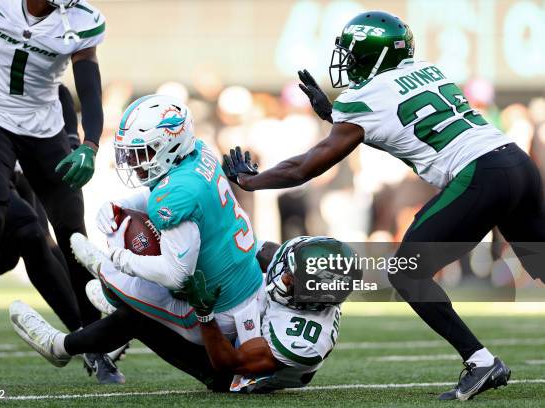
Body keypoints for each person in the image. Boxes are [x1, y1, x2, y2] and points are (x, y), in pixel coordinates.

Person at [221, 10, 545, 401]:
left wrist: (251, 180)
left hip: (480, 174)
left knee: (406, 272)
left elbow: (306, 167)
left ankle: (479, 360)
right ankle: (480, 360)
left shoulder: (365, 98)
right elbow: (398, 114)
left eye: (354, 53)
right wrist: (333, 114)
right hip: (515, 163)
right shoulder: (428, 70)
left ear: (374, 56)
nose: (349, 62)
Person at [0, 0, 115, 380]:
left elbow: (84, 88)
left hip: (41, 132)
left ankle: (93, 344)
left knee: (69, 236)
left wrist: (88, 143)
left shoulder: (79, 19)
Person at [9, 236, 353, 393]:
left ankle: (61, 346)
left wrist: (204, 316)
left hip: (235, 373)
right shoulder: (307, 284)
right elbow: (254, 251)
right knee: (204, 269)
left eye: (291, 279)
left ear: (313, 299)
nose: (282, 274)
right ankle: (117, 288)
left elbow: (229, 364)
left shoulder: (302, 339)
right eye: (288, 267)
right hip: (250, 325)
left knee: (138, 319)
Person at [72, 94, 265, 343]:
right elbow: (164, 192)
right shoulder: (198, 152)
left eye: (142, 152)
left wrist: (118, 257)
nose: (132, 161)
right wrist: (123, 205)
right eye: (130, 153)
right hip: (250, 287)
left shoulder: (175, 195)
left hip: (220, 315)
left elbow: (177, 276)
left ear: (170, 145)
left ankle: (111, 292)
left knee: (112, 271)